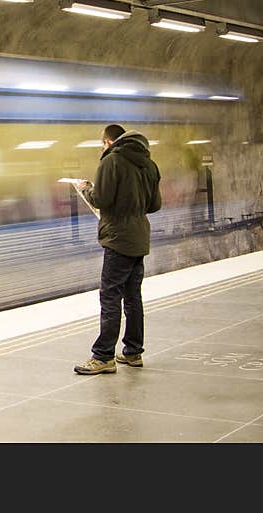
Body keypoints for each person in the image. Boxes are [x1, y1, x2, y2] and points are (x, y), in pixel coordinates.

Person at [74, 124, 162, 375]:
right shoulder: (149, 164)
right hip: (139, 236)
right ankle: (133, 352)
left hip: (118, 238)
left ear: (109, 142)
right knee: (133, 296)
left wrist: (85, 189)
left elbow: (100, 200)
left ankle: (103, 356)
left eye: (103, 144)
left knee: (110, 296)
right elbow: (154, 204)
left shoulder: (111, 161)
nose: (102, 148)